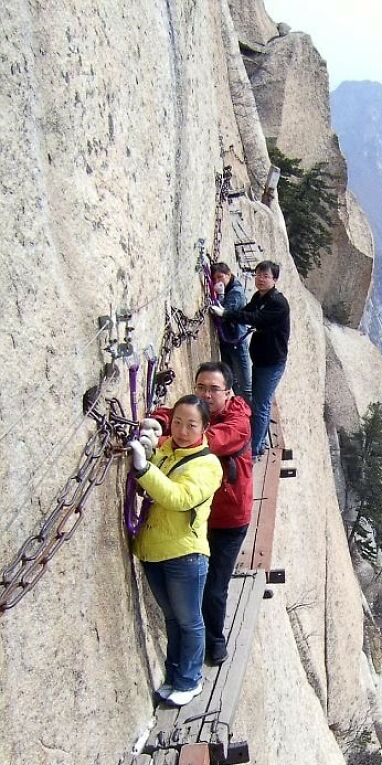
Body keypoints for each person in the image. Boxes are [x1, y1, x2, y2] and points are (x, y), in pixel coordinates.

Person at [140, 362, 253, 665]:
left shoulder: (238, 423)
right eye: (200, 387)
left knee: (214, 588)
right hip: (196, 520)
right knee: (195, 591)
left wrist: (160, 439)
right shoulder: (198, 416)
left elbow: (205, 440)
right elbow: (179, 415)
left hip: (227, 520)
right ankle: (196, 647)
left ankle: (215, 645)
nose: (206, 393)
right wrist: (157, 419)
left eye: (214, 389)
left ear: (228, 393)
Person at [128, 395, 223, 707]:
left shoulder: (209, 465)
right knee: (172, 619)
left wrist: (143, 469)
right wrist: (150, 447)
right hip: (155, 549)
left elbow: (180, 498)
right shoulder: (169, 449)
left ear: (205, 428)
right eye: (178, 422)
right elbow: (155, 471)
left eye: (191, 424)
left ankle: (190, 680)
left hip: (185, 553)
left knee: (189, 620)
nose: (182, 430)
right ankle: (173, 677)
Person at [220, 260, 290, 457]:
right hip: (261, 359)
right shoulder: (260, 297)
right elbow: (247, 312)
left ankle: (254, 450)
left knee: (261, 404)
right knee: (259, 402)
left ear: (274, 280)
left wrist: (226, 313)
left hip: (272, 362)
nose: (260, 279)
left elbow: (255, 319)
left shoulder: (278, 303)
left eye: (265, 276)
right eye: (258, 274)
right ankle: (255, 443)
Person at [209, 262, 251, 402]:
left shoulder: (236, 292)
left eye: (221, 277)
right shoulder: (230, 289)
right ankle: (242, 410)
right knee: (232, 381)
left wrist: (220, 296)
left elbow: (226, 313)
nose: (218, 281)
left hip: (236, 342)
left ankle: (254, 418)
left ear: (229, 274)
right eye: (215, 279)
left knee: (245, 385)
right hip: (228, 341)